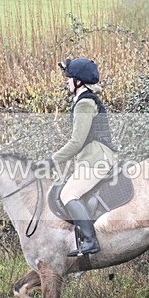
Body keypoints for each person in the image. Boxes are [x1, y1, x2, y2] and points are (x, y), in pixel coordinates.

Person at [52, 57, 117, 256]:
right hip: (94, 158)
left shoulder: (85, 103)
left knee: (67, 194)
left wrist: (54, 159)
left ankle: (90, 241)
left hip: (96, 160)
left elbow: (76, 142)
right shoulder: (86, 100)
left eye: (69, 77)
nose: (66, 81)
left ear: (78, 81)